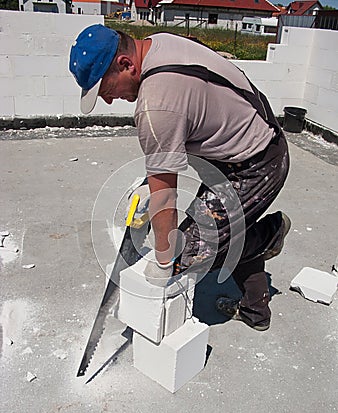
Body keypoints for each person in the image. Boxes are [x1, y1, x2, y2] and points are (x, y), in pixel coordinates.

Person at [69, 24, 291, 332]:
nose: (109, 101)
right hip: (249, 139)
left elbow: (165, 196)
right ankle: (255, 309)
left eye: (108, 90)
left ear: (125, 65)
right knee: (223, 230)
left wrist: (163, 262)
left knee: (189, 253)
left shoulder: (155, 106)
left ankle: (269, 234)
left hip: (255, 164)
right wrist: (152, 181)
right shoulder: (159, 43)